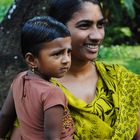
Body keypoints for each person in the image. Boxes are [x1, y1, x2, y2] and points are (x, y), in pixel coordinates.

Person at [47, 0, 140, 139]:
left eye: (100, 25)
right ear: (58, 29)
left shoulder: (121, 79)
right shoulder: (40, 88)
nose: (97, 36)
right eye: (84, 25)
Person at [0, 16, 74, 140]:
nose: (66, 60)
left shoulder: (19, 79)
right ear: (31, 59)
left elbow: (5, 115)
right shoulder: (52, 93)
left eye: (69, 52)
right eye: (57, 54)